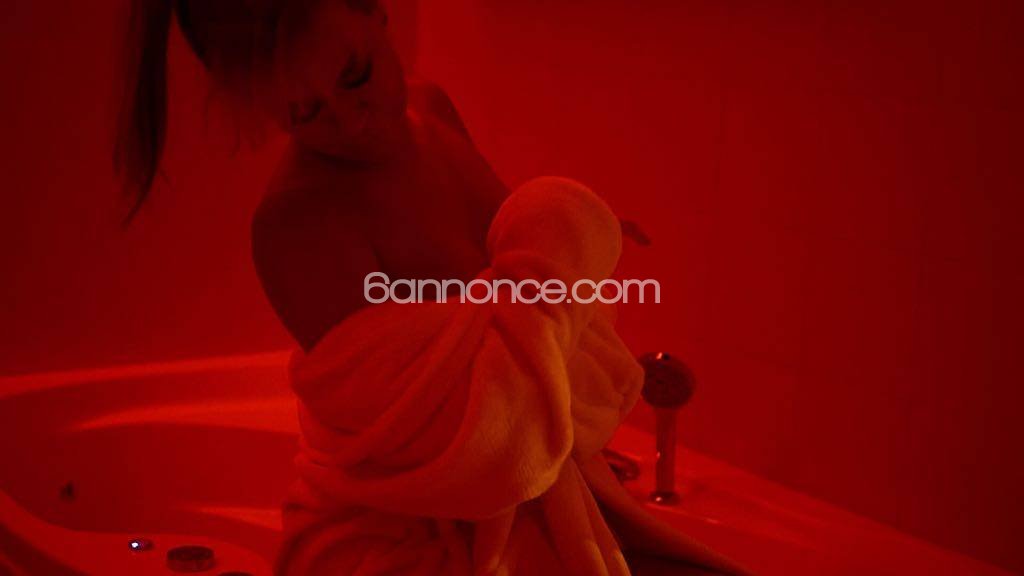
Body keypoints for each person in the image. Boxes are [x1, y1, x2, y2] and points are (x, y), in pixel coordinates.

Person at [114, 2, 740, 574]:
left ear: (375, 12)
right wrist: (569, 236)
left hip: (529, 491)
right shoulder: (298, 224)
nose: (349, 121)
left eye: (356, 75)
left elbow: (516, 289)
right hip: (398, 538)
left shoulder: (431, 109)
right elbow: (478, 443)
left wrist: (572, 246)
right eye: (305, 113)